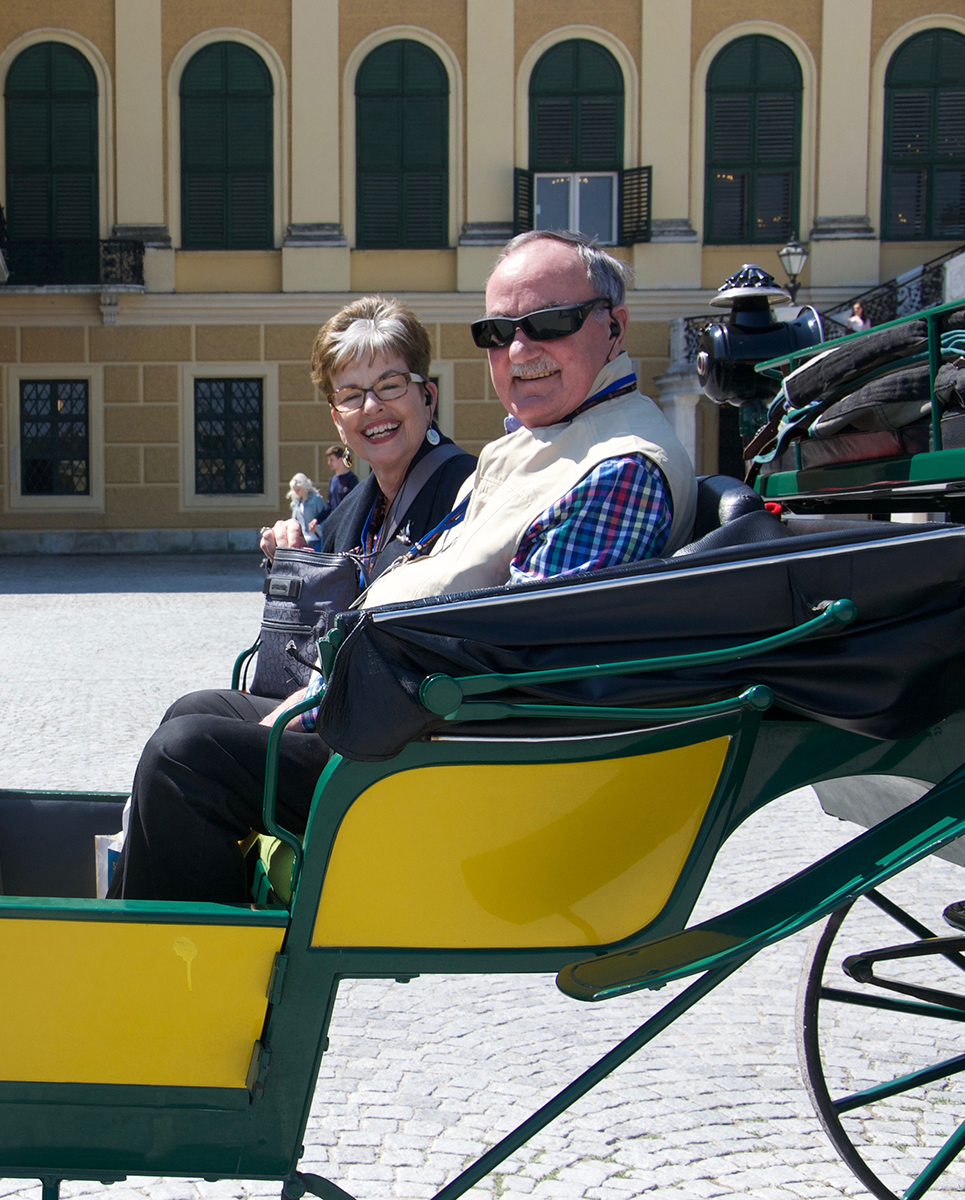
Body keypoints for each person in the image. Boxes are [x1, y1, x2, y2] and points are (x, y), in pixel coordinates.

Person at [113, 230, 698, 904]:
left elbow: (520, 668)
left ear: (614, 328)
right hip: (407, 715)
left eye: (549, 324)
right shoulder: (550, 440)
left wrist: (327, 702)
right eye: (497, 331)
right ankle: (157, 945)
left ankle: (187, 987)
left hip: (451, 761)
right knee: (193, 714)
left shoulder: (617, 467)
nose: (519, 351)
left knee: (185, 758)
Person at [258, 296, 476, 585]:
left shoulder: (475, 497)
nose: (372, 406)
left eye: (390, 385)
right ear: (338, 422)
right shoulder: (342, 521)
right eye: (350, 396)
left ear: (428, 399)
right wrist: (295, 568)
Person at [285, 472, 326, 550]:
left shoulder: (316, 499)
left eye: (298, 490)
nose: (296, 492)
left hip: (315, 538)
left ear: (304, 487)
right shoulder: (296, 503)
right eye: (295, 490)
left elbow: (324, 517)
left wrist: (317, 528)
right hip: (302, 540)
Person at [323, 444, 357, 511]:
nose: (329, 463)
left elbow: (354, 502)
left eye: (331, 460)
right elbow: (329, 505)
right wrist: (316, 519)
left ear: (341, 460)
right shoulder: (332, 480)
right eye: (328, 460)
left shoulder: (352, 479)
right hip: (335, 520)